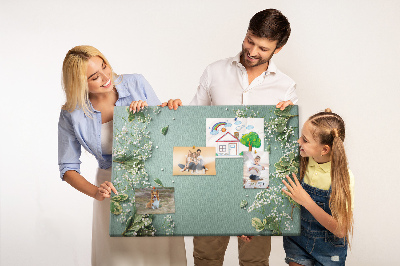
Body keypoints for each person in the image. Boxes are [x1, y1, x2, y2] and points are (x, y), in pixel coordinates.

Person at [58, 45, 186, 266]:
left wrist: (164, 110)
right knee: (121, 258)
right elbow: (68, 167)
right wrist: (96, 192)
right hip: (113, 189)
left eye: (104, 66)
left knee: (160, 253)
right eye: (94, 77)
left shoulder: (135, 83)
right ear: (79, 84)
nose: (106, 77)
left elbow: (164, 138)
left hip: (152, 181)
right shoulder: (72, 113)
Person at [188, 8, 297, 266]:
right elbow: (192, 121)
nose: (252, 51)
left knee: (255, 261)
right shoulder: (214, 71)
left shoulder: (286, 87)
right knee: (206, 257)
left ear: (277, 50)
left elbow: (284, 148)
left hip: (258, 184)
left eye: (263, 48)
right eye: (250, 40)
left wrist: (284, 122)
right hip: (212, 182)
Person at [282, 109, 354, 265]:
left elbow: (341, 230)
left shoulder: (342, 178)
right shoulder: (301, 159)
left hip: (330, 250)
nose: (298, 141)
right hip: (297, 242)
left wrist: (306, 201)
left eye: (305, 140)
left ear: (324, 149)